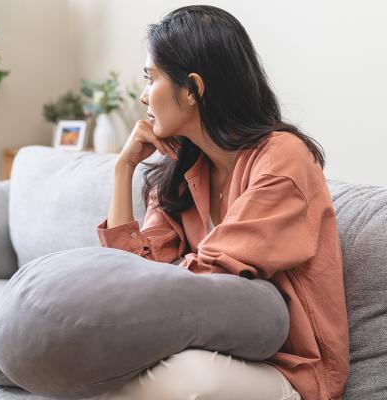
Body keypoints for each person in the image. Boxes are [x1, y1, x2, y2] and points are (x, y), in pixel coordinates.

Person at [96, 5, 349, 400]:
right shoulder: (181, 171)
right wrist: (122, 169)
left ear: (193, 88)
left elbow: (212, 274)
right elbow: (135, 276)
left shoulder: (283, 159)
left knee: (176, 382)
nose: (144, 96)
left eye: (152, 78)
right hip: (207, 344)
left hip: (288, 368)